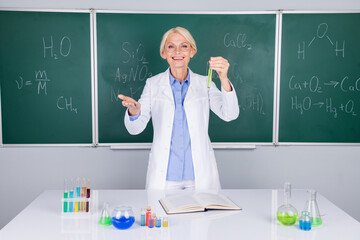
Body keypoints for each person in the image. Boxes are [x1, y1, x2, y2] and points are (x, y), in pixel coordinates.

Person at [118, 27, 239, 190]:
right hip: (165, 179)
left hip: (199, 178)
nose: (177, 51)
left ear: (192, 51)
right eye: (171, 46)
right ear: (163, 53)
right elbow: (135, 128)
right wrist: (134, 111)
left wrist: (224, 78)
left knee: (202, 215)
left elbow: (229, 114)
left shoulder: (205, 83)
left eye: (184, 46)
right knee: (161, 215)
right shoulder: (153, 84)